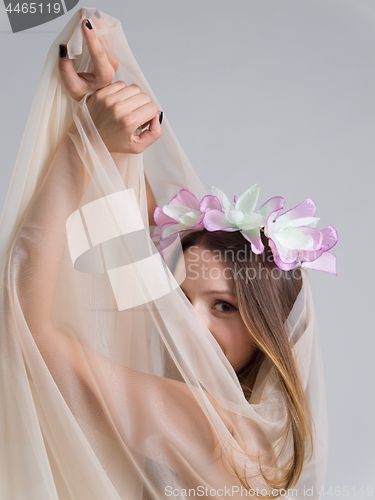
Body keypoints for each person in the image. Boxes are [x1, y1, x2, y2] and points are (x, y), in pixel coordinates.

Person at [0, 9, 334, 499]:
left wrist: (81, 145)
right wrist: (111, 107)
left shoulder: (209, 424)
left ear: (271, 328)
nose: (189, 324)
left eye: (224, 306)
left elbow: (27, 335)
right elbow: (147, 228)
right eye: (179, 298)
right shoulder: (264, 426)